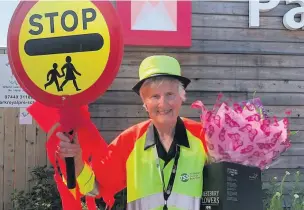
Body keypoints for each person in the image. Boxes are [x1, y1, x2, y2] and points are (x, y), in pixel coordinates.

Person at [56, 55, 209, 210]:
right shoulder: (129, 141)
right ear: (145, 103)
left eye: (170, 94)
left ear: (181, 98)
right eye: (155, 96)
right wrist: (77, 163)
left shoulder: (205, 137)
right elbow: (95, 189)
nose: (163, 103)